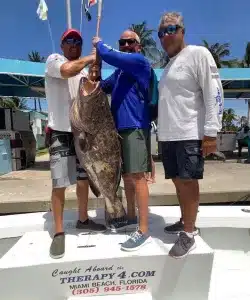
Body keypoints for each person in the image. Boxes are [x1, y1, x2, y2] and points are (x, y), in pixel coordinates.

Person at [157, 12, 224, 258]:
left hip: (188, 133)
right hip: (168, 136)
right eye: (161, 32)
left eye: (171, 29)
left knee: (187, 181)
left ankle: (189, 233)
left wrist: (210, 133)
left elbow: (214, 92)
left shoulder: (198, 54)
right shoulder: (168, 66)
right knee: (177, 180)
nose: (166, 35)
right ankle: (185, 220)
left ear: (182, 31)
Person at [45, 28, 106, 259]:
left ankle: (83, 219)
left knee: (83, 179)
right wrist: (92, 57)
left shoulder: (83, 72)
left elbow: (95, 93)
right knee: (59, 182)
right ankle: (59, 232)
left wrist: (95, 72)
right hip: (60, 131)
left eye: (77, 41)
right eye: (69, 40)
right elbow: (66, 70)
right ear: (62, 45)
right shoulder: (54, 60)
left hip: (82, 132)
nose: (73, 44)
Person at [92, 30, 152, 251]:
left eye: (130, 42)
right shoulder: (118, 74)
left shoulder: (139, 62)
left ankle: (143, 230)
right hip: (117, 131)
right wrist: (95, 71)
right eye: (122, 42)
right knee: (126, 177)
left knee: (137, 177)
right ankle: (131, 216)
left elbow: (113, 56)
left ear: (138, 46)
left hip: (135, 127)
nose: (126, 44)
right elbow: (101, 88)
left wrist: (99, 45)